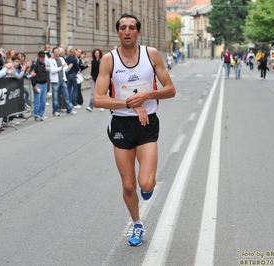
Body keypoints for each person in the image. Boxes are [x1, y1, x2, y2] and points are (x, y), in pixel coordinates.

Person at [93, 13, 176, 247]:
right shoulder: (109, 60)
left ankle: (147, 189)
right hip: (121, 123)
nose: (127, 31)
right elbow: (98, 99)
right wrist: (129, 103)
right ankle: (137, 223)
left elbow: (170, 90)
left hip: (147, 122)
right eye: (122, 28)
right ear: (118, 32)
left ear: (138, 32)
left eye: (131, 27)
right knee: (129, 185)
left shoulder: (151, 55)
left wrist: (148, 95)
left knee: (146, 184)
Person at [48, 47, 77, 116]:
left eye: (58, 52)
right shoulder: (51, 60)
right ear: (53, 53)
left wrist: (69, 67)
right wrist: (61, 67)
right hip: (55, 81)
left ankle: (69, 110)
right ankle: (55, 111)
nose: (57, 53)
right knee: (55, 97)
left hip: (62, 80)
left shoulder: (62, 59)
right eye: (55, 52)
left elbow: (65, 69)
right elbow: (52, 71)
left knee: (66, 96)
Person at [31, 51, 49, 121]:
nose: (42, 58)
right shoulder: (35, 64)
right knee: (37, 101)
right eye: (40, 57)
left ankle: (41, 114)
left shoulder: (43, 64)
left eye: (43, 57)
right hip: (38, 84)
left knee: (43, 101)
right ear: (38, 56)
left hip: (44, 83)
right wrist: (34, 85)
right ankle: (37, 115)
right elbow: (32, 75)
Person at [86, 48, 103, 112]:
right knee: (93, 93)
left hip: (100, 78)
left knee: (101, 93)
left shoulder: (102, 60)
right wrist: (91, 78)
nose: (97, 54)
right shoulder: (93, 61)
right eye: (95, 53)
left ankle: (102, 105)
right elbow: (92, 70)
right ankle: (90, 106)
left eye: (98, 53)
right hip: (94, 78)